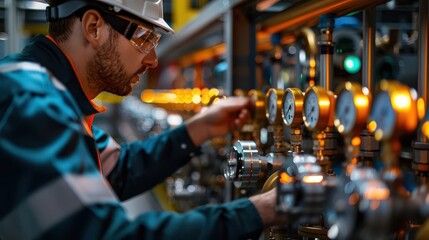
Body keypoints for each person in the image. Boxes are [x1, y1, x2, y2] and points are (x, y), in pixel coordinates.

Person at [0, 0, 287, 239]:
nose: (153, 60)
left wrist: (201, 128)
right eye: (144, 38)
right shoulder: (31, 99)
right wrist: (261, 210)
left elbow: (116, 170)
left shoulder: (51, 95)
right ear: (93, 27)